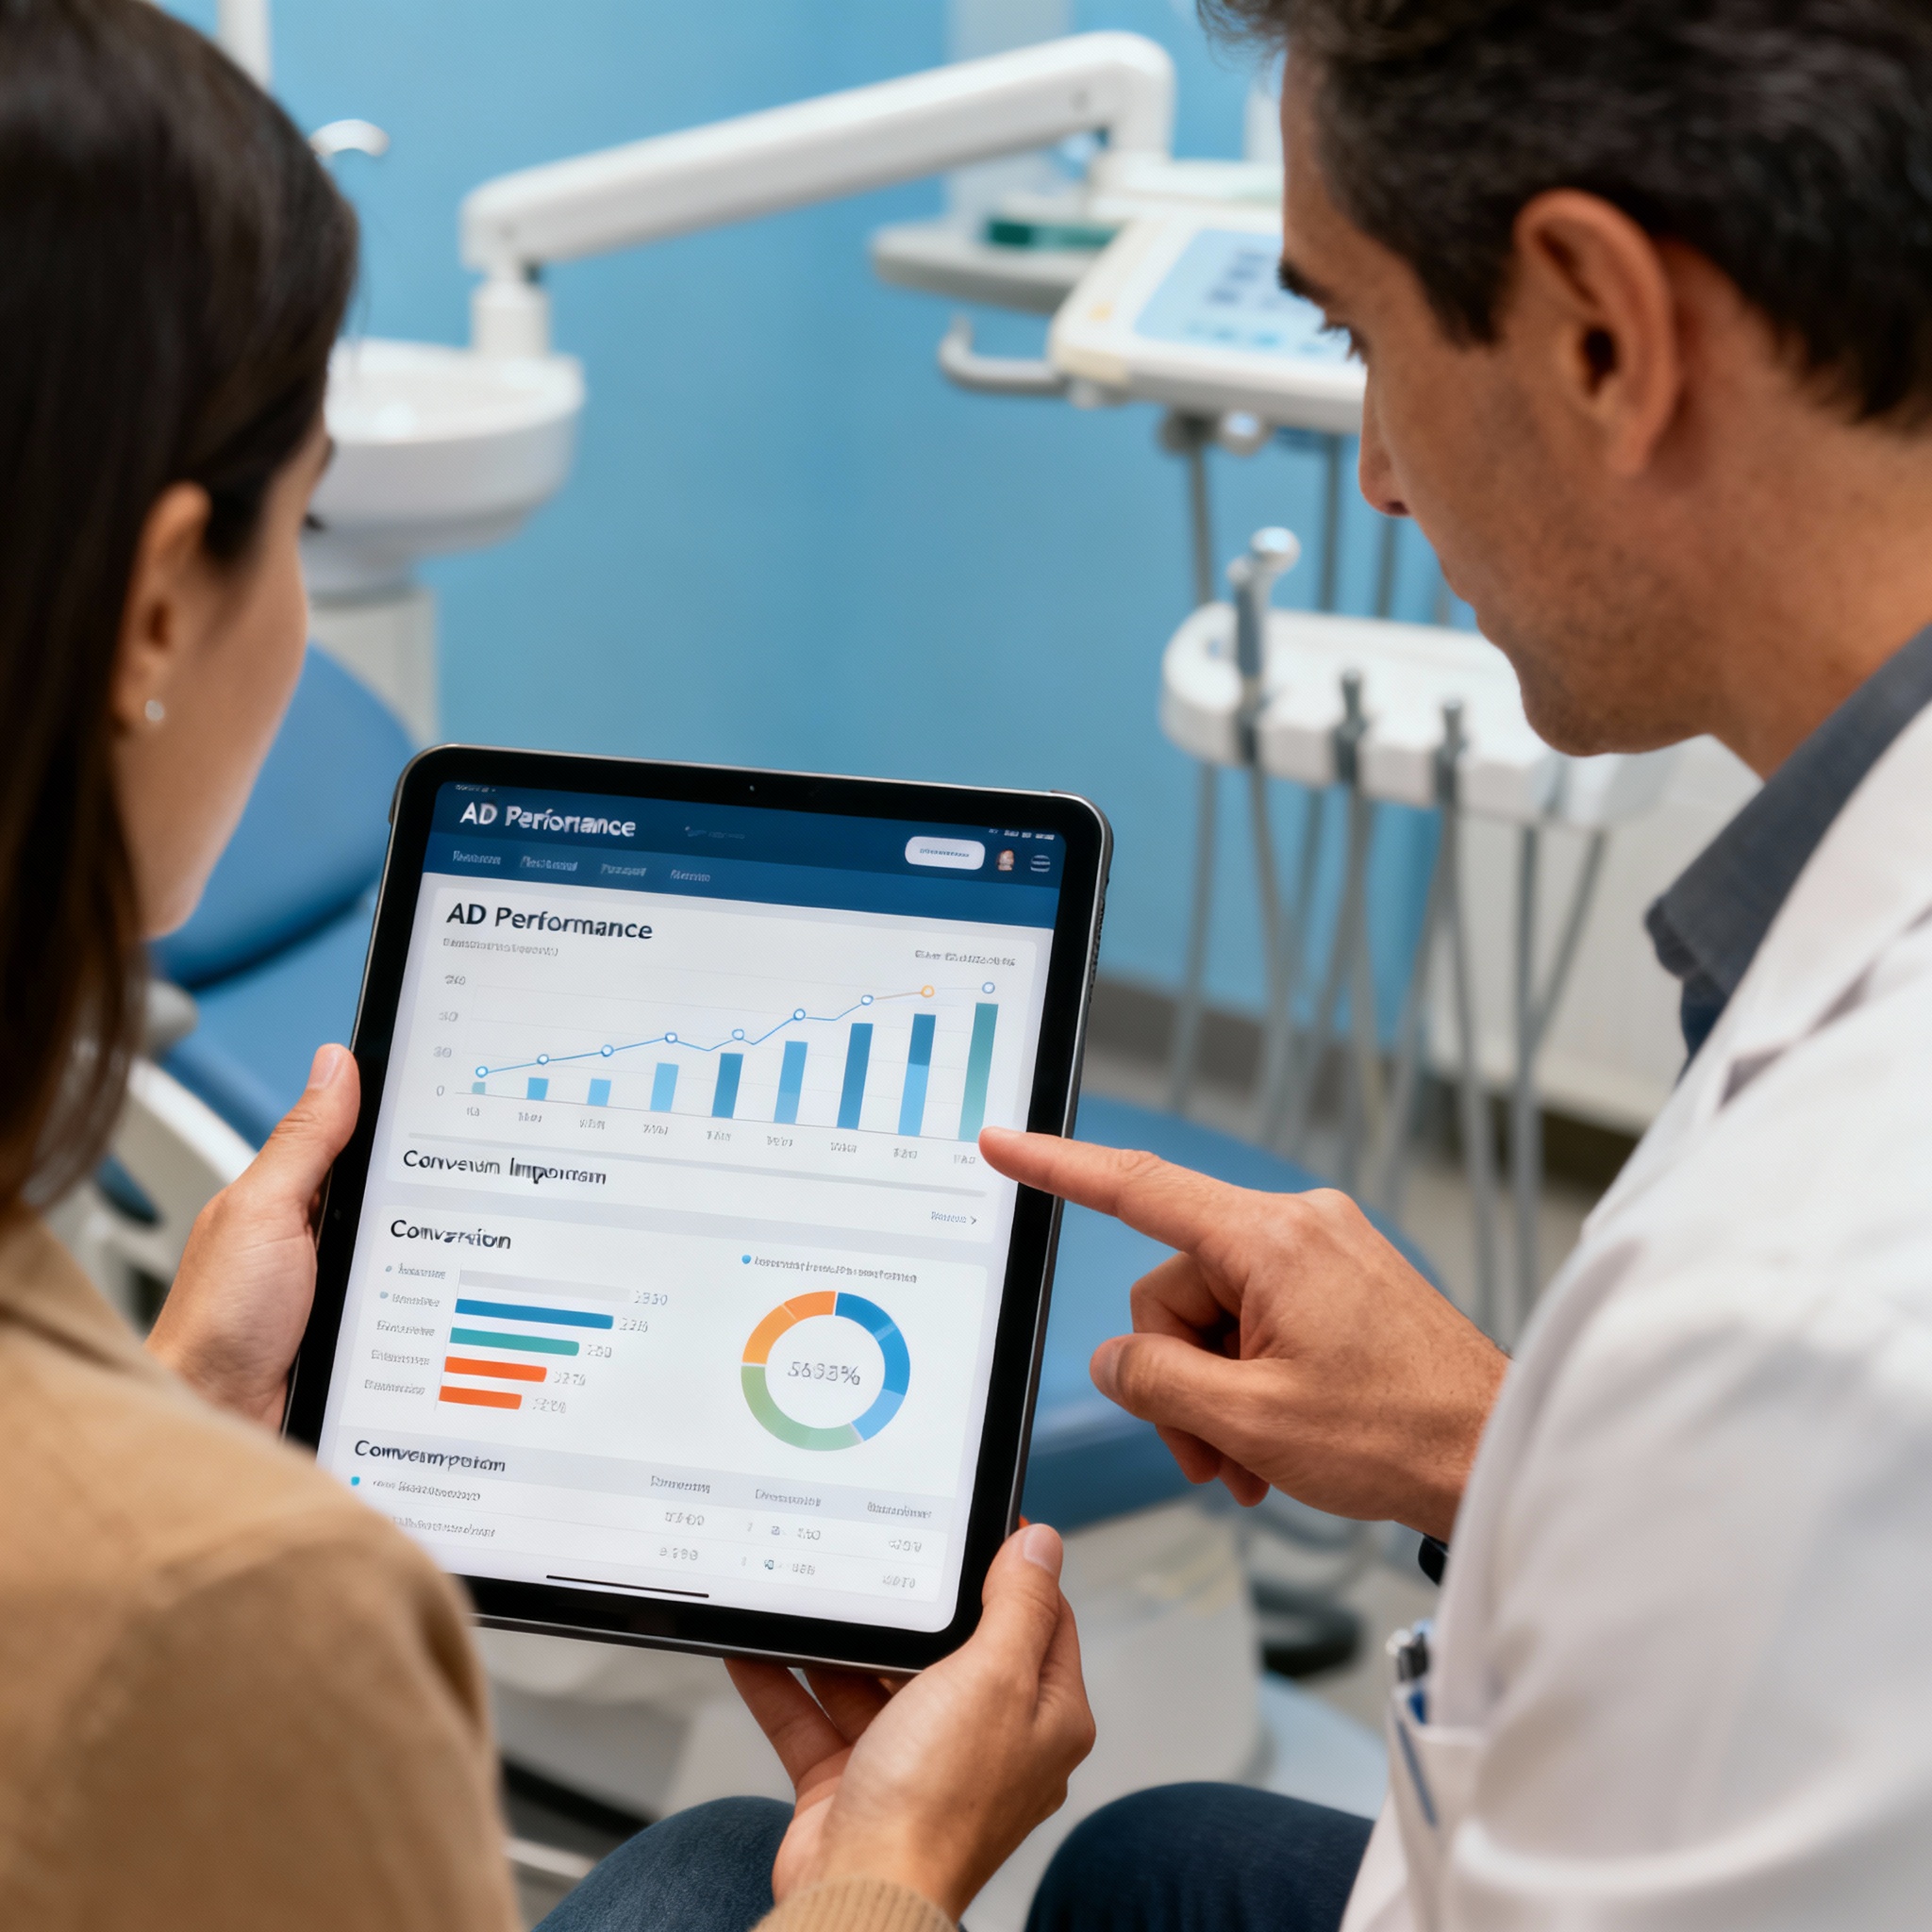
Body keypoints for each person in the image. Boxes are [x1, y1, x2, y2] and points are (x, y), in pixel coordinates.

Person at [645, 0, 1932, 1928]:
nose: (1382, 482)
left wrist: (893, 1882)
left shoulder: (1793, 1324)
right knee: (1163, 1866)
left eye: (1357, 336)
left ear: (1599, 329)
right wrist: (1500, 1450)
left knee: (706, 1879)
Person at [0, 4, 1091, 1927]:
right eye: (307, 514)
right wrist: (893, 1878)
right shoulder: (237, 1614)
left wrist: (168, 1409)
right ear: (160, 596)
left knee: (685, 1866)